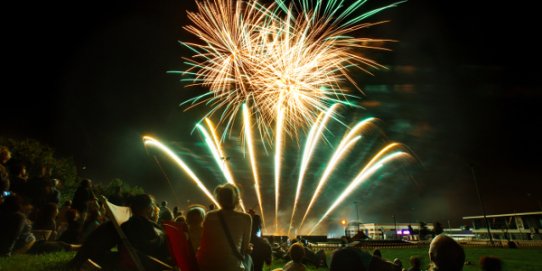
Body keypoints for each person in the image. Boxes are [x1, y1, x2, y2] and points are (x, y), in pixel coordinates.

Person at [197, 183, 252, 271]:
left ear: (219, 199)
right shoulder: (246, 218)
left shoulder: (209, 216)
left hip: (208, 266)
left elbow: (205, 242)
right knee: (248, 259)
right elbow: (245, 247)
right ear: (237, 199)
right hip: (232, 267)